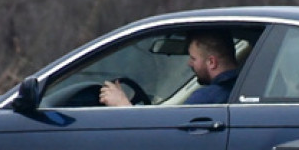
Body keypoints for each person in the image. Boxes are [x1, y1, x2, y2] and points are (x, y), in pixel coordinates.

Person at [99, 30, 239, 106]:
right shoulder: (243, 88)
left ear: (212, 62)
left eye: (193, 58)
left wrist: (124, 106)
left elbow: (164, 138)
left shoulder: (206, 99)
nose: (189, 64)